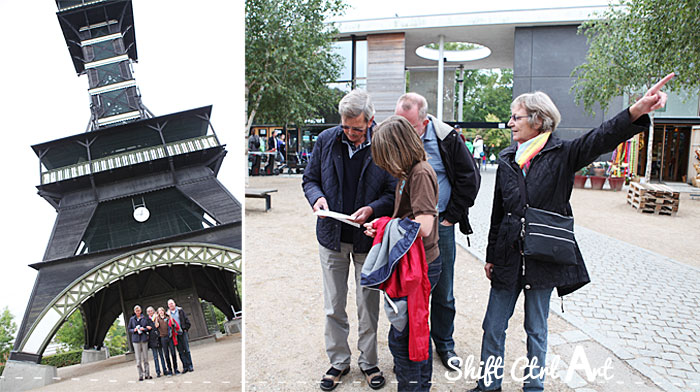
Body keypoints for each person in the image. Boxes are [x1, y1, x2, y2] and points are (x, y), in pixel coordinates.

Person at [469, 72, 674, 392]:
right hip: (508, 256)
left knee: (536, 329)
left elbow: (602, 137)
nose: (510, 123)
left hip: (543, 257)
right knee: (493, 328)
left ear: (537, 120)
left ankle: (533, 387)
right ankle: (488, 385)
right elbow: (498, 213)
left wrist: (637, 110)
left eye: (516, 117)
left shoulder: (564, 153)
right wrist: (490, 255)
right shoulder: (508, 158)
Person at [302, 89, 396, 391]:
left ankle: (368, 362)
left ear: (370, 121)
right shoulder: (326, 140)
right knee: (333, 304)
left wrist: (372, 209)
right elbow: (310, 179)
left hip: (368, 238)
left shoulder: (384, 143)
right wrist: (317, 199)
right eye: (346, 126)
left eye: (357, 127)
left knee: (368, 304)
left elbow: (393, 193)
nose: (351, 133)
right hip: (331, 235)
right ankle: (339, 361)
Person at [395, 93, 480, 370]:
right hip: (407, 227)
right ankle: (411, 345)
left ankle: (444, 344)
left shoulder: (448, 138)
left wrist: (451, 217)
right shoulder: (397, 136)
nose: (404, 131)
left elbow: (470, 179)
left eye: (409, 126)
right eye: (400, 124)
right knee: (408, 288)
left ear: (425, 120)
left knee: (443, 290)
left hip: (440, 225)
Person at [363, 115, 441, 391]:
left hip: (418, 265)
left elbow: (424, 226)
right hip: (414, 262)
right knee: (412, 332)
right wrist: (382, 229)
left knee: (405, 338)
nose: (382, 164)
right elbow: (408, 220)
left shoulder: (419, 173)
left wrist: (385, 226)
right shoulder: (411, 172)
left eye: (385, 156)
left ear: (397, 150)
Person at [167, 299, 194, 374]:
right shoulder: (168, 314)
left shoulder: (180, 311)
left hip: (182, 332)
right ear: (168, 306)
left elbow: (186, 320)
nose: (171, 305)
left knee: (187, 349)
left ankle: (190, 365)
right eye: (169, 304)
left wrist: (185, 328)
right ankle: (185, 366)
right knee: (180, 351)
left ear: (174, 304)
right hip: (175, 334)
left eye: (172, 303)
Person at [127, 305, 152, 381]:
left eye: (139, 310)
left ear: (141, 311)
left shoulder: (144, 318)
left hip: (144, 339)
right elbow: (129, 329)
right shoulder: (132, 319)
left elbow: (148, 328)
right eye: (136, 311)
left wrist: (143, 329)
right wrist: (134, 330)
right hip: (136, 340)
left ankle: (147, 374)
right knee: (138, 360)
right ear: (134, 312)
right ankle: (140, 375)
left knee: (146, 359)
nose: (138, 312)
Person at [146, 306, 167, 377]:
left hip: (158, 338)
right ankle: (158, 371)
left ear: (153, 311)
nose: (150, 312)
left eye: (151, 311)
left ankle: (165, 370)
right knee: (155, 357)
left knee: (161, 355)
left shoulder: (157, 318)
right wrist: (146, 328)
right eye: (148, 311)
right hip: (152, 340)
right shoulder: (146, 320)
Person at [154, 306, 176, 376]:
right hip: (163, 338)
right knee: (166, 354)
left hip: (169, 337)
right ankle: (169, 369)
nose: (161, 312)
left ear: (164, 311)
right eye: (159, 311)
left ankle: (175, 368)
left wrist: (169, 315)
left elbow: (172, 323)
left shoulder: (167, 317)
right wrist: (156, 318)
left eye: (162, 310)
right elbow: (156, 326)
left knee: (173, 353)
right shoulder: (158, 319)